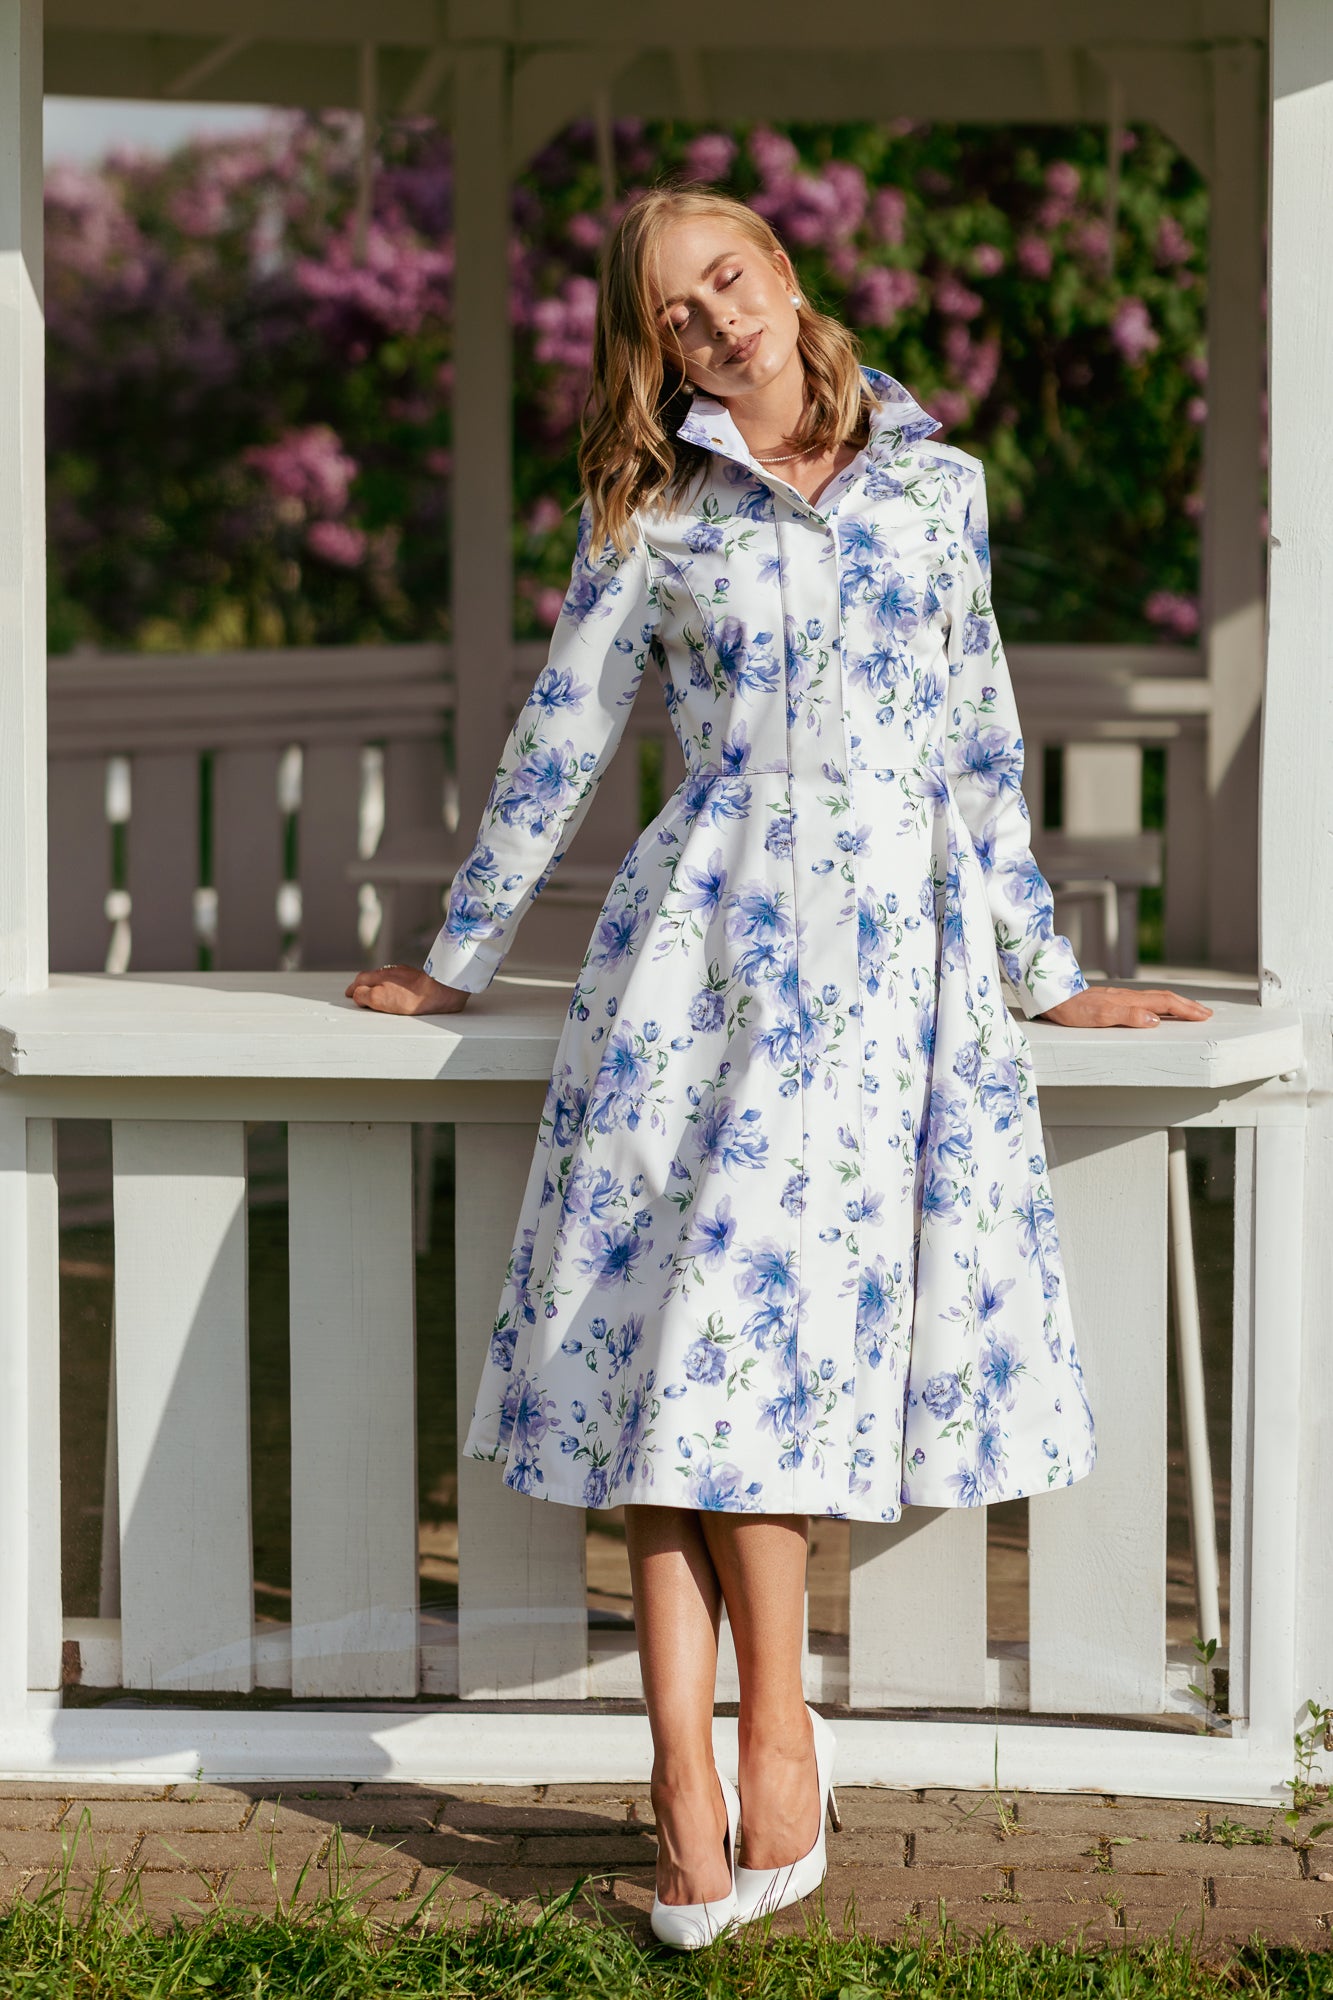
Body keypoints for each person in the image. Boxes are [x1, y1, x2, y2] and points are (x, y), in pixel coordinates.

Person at [347, 185, 1212, 1947]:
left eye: (725, 278)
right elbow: (563, 734)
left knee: (762, 1383)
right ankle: (696, 1782)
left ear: (786, 273)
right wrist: (452, 958)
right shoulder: (649, 508)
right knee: (679, 1381)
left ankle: (770, 1744)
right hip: (697, 971)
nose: (712, 320)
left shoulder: (936, 487)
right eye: (670, 310)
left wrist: (1047, 978)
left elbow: (977, 749)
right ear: (647, 343)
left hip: (891, 986)